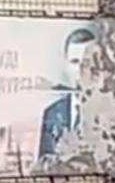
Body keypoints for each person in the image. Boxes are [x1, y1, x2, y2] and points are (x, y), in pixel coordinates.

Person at [38, 28, 96, 158]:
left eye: (86, 63)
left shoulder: (111, 114)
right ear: (66, 65)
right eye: (75, 62)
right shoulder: (51, 114)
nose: (80, 70)